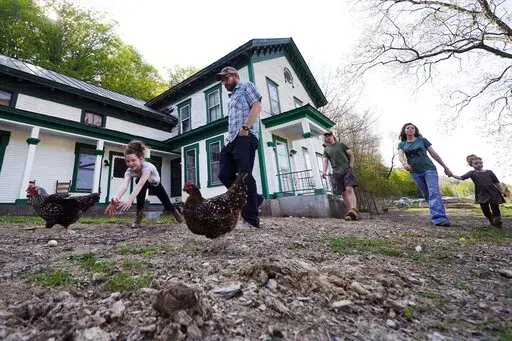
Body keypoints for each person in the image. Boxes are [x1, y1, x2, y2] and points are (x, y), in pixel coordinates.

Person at [216, 66, 263, 228]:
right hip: (231, 140)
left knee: (244, 175)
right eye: (222, 80)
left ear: (235, 76)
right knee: (224, 173)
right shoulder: (231, 98)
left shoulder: (246, 86)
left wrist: (246, 127)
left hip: (245, 136)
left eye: (226, 78)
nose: (223, 82)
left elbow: (257, 106)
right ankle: (255, 199)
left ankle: (251, 219)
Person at [105, 140, 183, 227]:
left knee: (166, 203)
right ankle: (138, 219)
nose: (130, 163)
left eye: (133, 160)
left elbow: (140, 184)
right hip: (142, 183)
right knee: (140, 202)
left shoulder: (147, 167)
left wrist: (130, 199)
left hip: (154, 184)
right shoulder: (128, 171)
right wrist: (116, 198)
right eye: (127, 161)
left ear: (141, 159)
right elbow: (125, 185)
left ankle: (175, 211)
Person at [397, 123, 452, 227]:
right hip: (415, 172)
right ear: (404, 131)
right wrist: (405, 163)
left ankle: (440, 219)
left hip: (429, 169)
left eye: (412, 128)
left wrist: (445, 167)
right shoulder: (402, 144)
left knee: (433, 193)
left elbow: (433, 154)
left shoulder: (422, 140)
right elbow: (400, 156)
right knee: (427, 195)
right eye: (407, 128)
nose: (410, 129)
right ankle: (438, 215)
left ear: (415, 130)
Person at [450, 154, 506, 228]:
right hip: (481, 194)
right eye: (476, 163)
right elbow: (461, 177)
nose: (479, 164)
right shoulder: (472, 173)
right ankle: (491, 219)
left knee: (495, 208)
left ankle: (497, 222)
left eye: (480, 163)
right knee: (485, 209)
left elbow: (496, 182)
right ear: (471, 165)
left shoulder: (489, 172)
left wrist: (502, 190)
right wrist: (452, 175)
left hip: (493, 193)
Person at [322, 131, 358, 221]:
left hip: (346, 169)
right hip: (336, 173)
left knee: (349, 189)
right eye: (326, 136)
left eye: (329, 135)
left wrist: (351, 167)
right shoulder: (326, 150)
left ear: (332, 136)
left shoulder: (341, 144)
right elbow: (325, 161)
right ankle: (350, 212)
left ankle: (354, 210)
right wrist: (324, 171)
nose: (328, 137)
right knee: (343, 193)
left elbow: (351, 155)